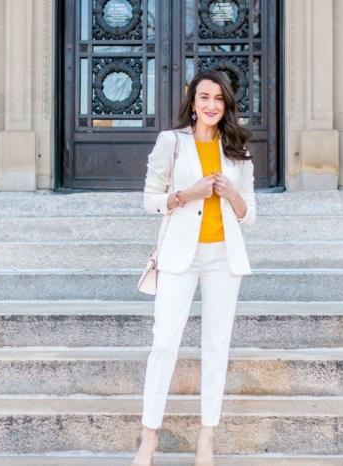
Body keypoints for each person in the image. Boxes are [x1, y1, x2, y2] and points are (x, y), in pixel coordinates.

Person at [131, 69, 256, 466]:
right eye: (205, 98)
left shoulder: (238, 150)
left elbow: (247, 215)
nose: (211, 106)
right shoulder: (172, 142)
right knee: (164, 342)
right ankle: (148, 439)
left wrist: (231, 191)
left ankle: (207, 440)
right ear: (193, 101)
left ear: (227, 105)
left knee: (216, 346)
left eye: (219, 99)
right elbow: (150, 200)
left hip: (224, 257)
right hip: (180, 256)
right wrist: (189, 193)